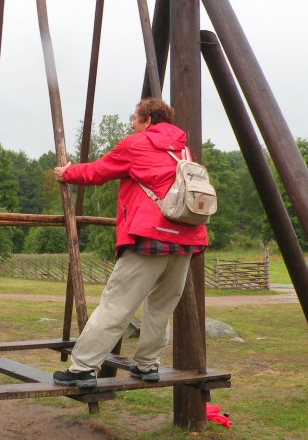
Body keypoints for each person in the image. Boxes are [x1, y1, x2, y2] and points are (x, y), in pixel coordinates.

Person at [51, 98, 208, 389]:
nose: (132, 125)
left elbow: (98, 172)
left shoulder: (136, 144)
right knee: (161, 307)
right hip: (186, 238)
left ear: (147, 120)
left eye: (134, 119)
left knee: (117, 304)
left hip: (150, 235)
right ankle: (147, 364)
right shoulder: (182, 149)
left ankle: (83, 368)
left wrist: (67, 173)